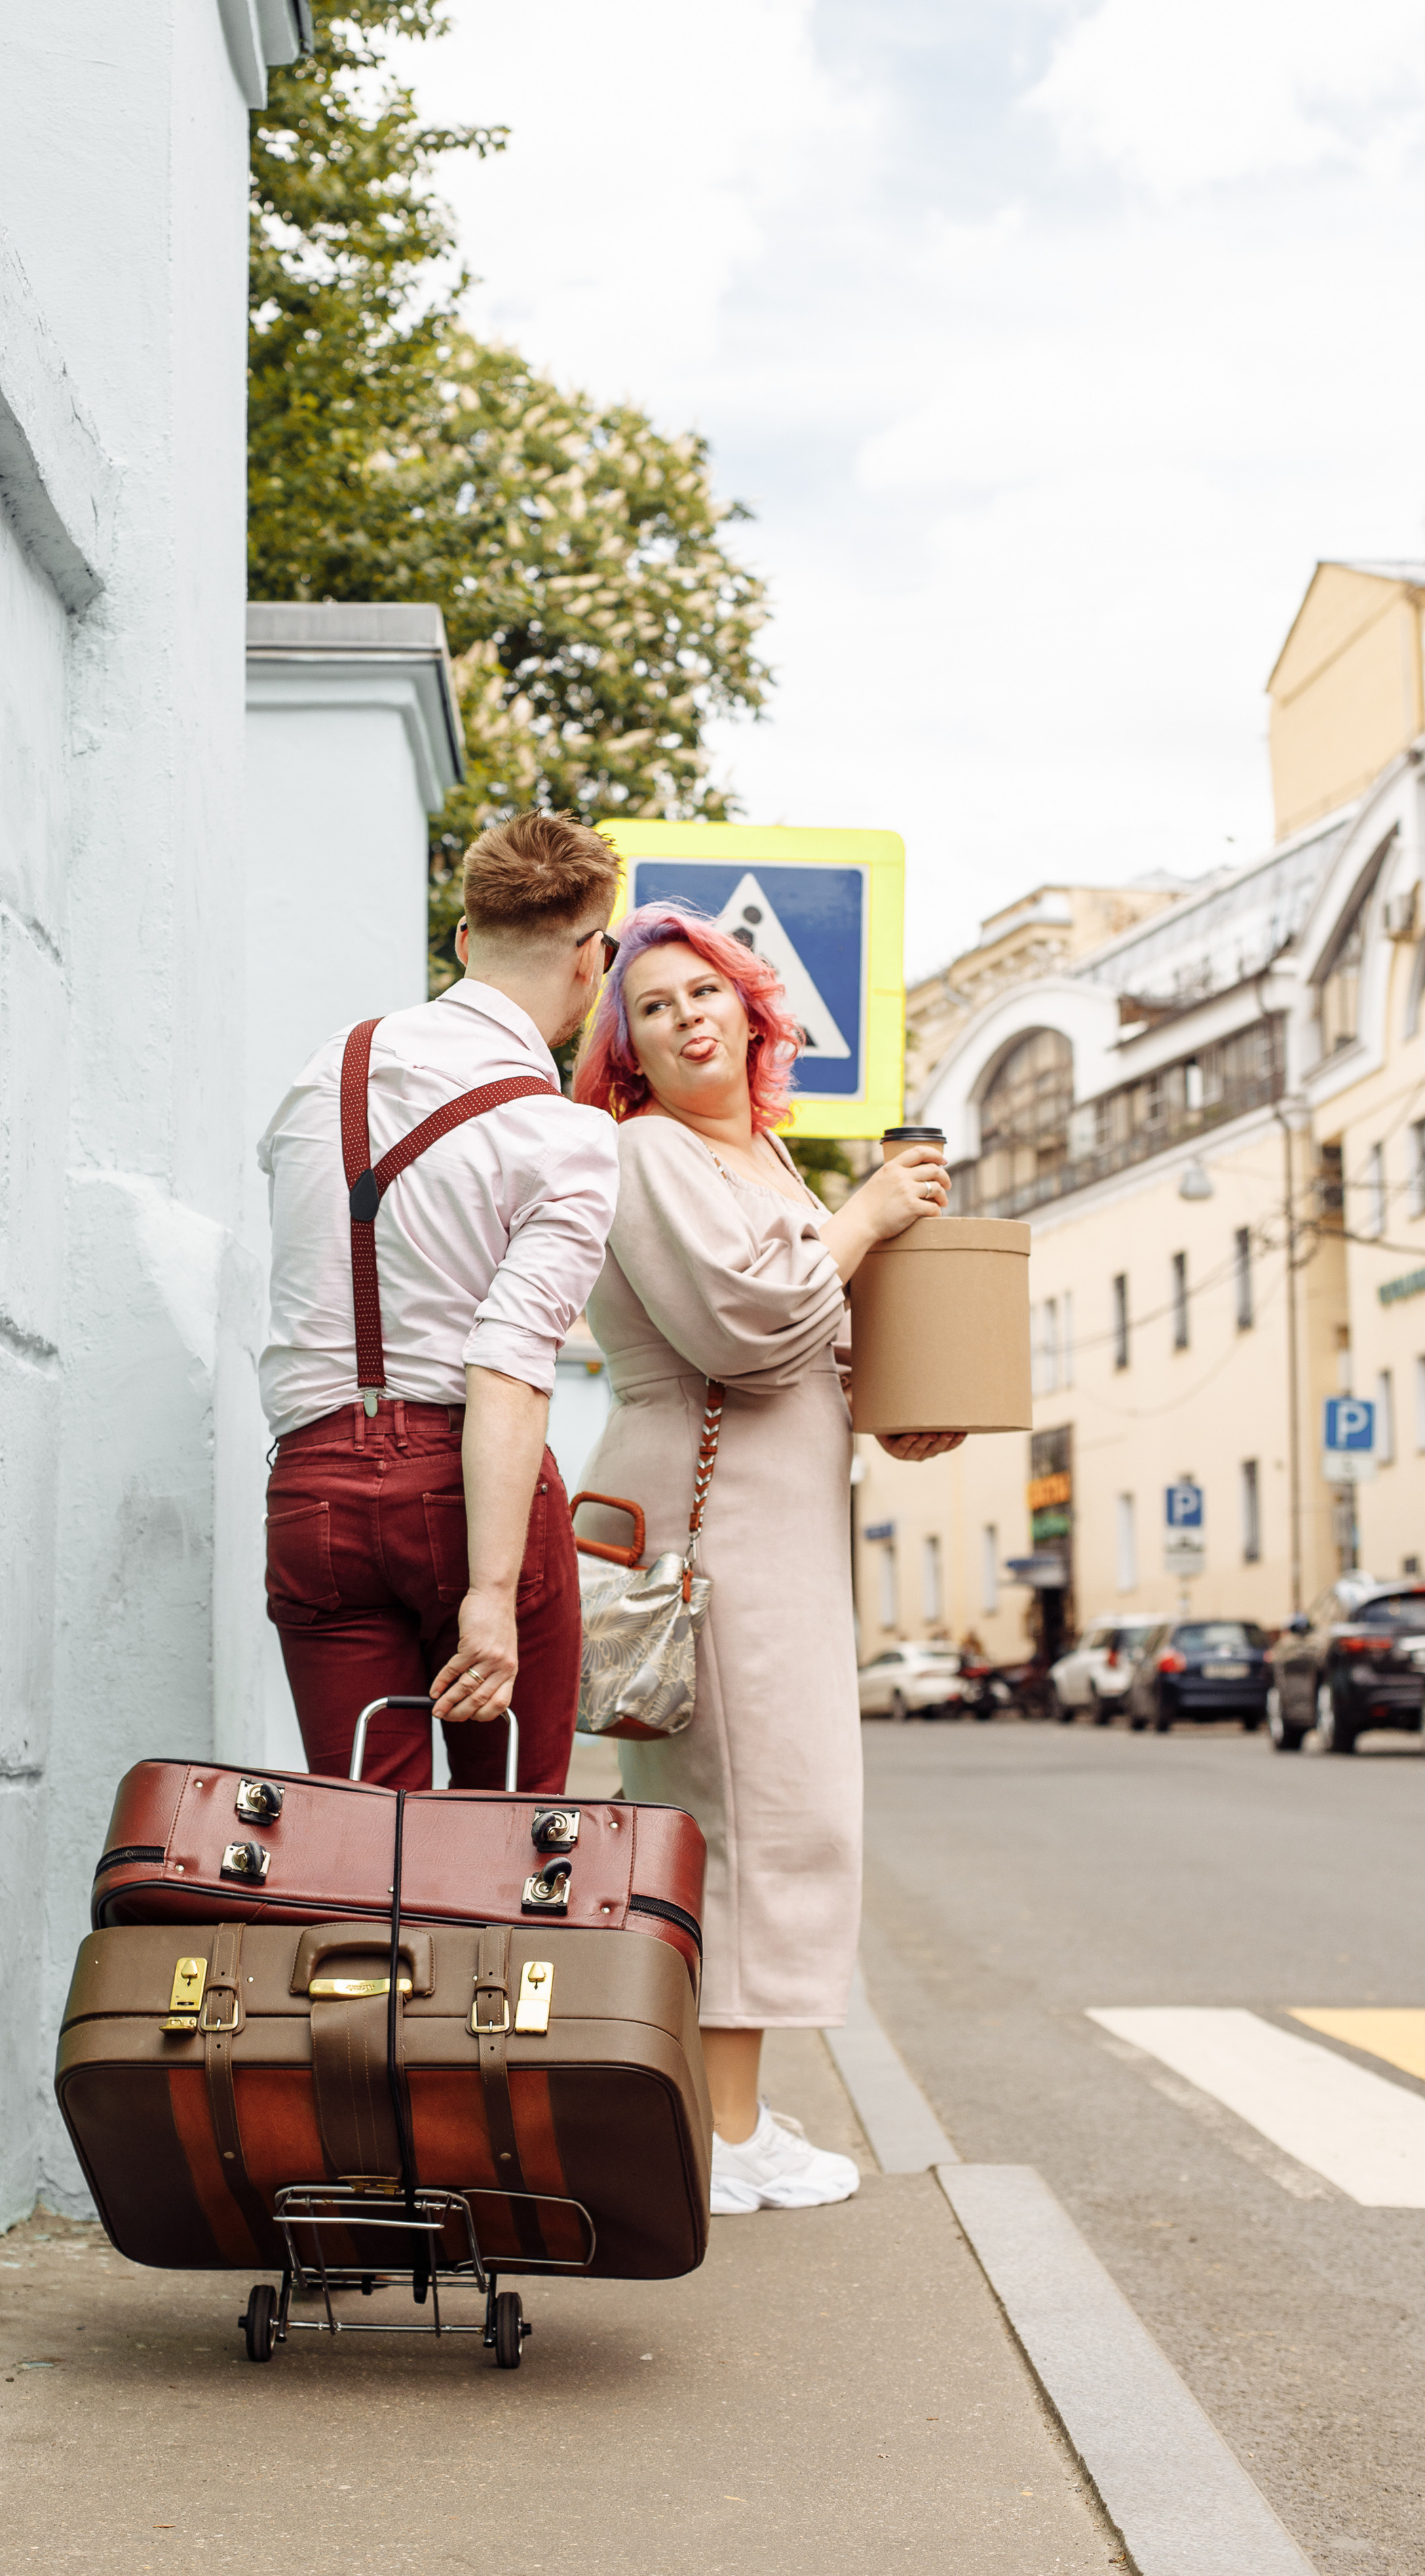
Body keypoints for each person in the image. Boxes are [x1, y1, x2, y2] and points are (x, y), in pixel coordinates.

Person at [571, 901, 962, 2214]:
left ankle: (724, 2114)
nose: (687, 1018)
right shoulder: (645, 1152)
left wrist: (897, 1406)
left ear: (753, 1011)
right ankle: (718, 2135)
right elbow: (750, 1330)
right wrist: (863, 1221)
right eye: (654, 1006)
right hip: (713, 1533)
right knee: (741, 1824)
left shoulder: (760, 1165)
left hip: (771, 1526)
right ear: (627, 1045)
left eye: (706, 993)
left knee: (780, 1819)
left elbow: (811, 1341)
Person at [257, 810, 622, 1792]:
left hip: (313, 1486)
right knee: (503, 1842)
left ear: (466, 940)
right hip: (468, 1493)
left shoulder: (322, 1072)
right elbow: (507, 1362)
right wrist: (491, 1594)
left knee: (374, 1851)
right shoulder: (565, 1138)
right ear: (592, 961)